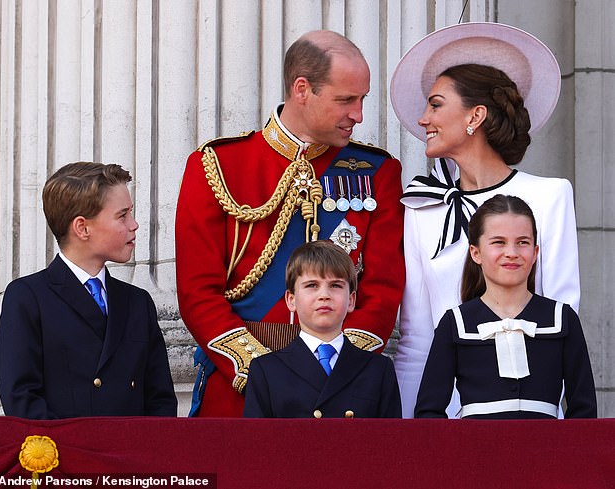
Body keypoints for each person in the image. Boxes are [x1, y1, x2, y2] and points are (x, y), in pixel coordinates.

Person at [176, 30, 404, 417]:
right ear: (302, 89)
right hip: (240, 389)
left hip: (341, 391)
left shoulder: (377, 171)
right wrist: (263, 372)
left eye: (362, 99)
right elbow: (198, 293)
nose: (359, 114)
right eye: (346, 99)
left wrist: (336, 370)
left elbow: (382, 291)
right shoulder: (217, 166)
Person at [389, 22, 581, 418]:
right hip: (445, 421)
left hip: (527, 417)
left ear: (475, 115)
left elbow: (562, 324)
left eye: (436, 104)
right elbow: (417, 338)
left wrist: (557, 427)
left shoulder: (549, 196)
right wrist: (413, 429)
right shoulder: (421, 207)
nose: (423, 119)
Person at [0, 162, 177, 419]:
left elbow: (160, 401)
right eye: (122, 215)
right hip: (65, 455)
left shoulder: (138, 302)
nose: (134, 224)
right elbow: (22, 400)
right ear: (82, 228)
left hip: (131, 455)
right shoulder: (28, 297)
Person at [415, 195, 596, 419]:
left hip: (547, 451)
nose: (512, 252)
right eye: (499, 242)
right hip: (475, 451)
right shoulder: (455, 322)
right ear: (476, 253)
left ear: (535, 252)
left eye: (523, 242)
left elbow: (584, 410)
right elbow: (428, 412)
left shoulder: (562, 318)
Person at [243, 240, 401, 418]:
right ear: (291, 300)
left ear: (351, 300)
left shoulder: (378, 370)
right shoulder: (266, 371)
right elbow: (257, 443)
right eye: (312, 285)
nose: (324, 295)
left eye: (335, 285)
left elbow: (391, 442)